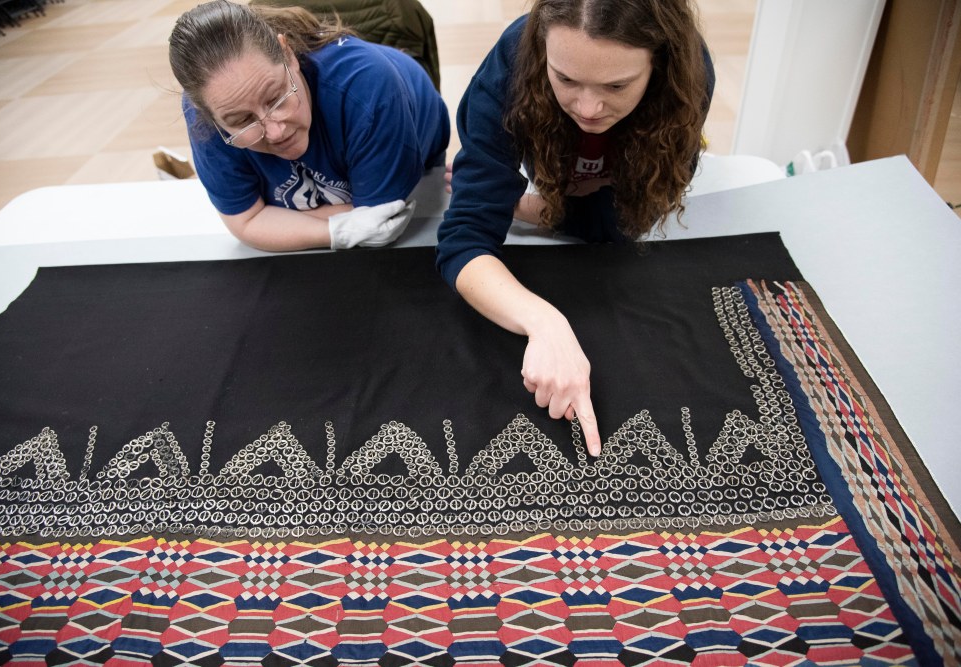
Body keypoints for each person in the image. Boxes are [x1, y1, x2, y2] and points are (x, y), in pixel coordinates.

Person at [436, 0, 715, 456]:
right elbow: (463, 240)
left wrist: (525, 208)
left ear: (659, 66)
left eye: (616, 85)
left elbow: (628, 216)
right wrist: (544, 323)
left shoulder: (688, 76)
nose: (587, 107)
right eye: (564, 79)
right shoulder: (512, 61)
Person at [169, 0, 450, 251]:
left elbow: (379, 220)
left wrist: (275, 220)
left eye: (277, 98)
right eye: (243, 121)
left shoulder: (370, 90)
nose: (276, 132)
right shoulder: (209, 112)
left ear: (287, 53)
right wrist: (334, 230)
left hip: (398, 118)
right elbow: (244, 222)